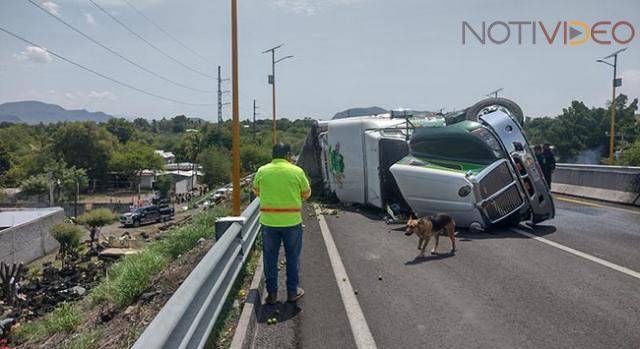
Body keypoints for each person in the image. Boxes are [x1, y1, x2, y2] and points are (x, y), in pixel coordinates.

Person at [253, 143, 311, 304]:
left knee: (270, 258)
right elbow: (306, 193)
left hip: (269, 223)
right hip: (292, 223)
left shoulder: (262, 171)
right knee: (292, 257)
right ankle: (292, 292)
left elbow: (256, 191)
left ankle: (272, 294)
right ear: (287, 155)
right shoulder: (296, 171)